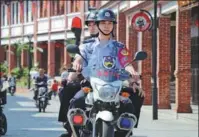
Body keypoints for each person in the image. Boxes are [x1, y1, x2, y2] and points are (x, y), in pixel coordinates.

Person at [68, 8, 142, 137]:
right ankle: (74, 133)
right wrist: (78, 61)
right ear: (97, 25)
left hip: (113, 87)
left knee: (130, 103)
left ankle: (126, 132)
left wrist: (132, 71)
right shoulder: (88, 46)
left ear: (113, 26)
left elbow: (126, 62)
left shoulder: (119, 47)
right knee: (76, 101)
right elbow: (80, 56)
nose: (107, 26)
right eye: (103, 23)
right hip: (92, 86)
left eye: (110, 23)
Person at [58, 10, 99, 137]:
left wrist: (132, 79)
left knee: (133, 96)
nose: (91, 27)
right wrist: (76, 67)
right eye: (89, 24)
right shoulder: (86, 45)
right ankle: (71, 128)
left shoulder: (115, 45)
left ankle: (125, 129)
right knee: (69, 91)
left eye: (94, 24)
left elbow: (124, 63)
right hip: (89, 84)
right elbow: (78, 58)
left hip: (110, 85)